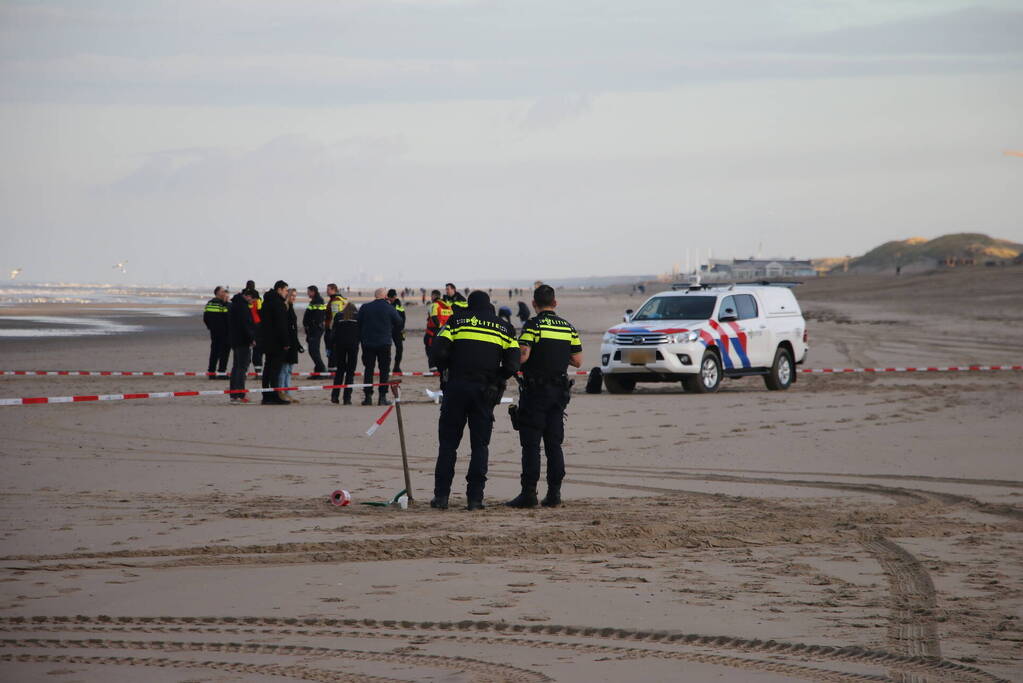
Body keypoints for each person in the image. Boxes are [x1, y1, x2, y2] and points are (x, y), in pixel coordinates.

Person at [429, 290, 520, 511]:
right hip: (485, 391)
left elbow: (437, 352)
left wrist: (446, 369)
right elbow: (513, 364)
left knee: (448, 445)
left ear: (469, 305)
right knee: (480, 446)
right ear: (489, 305)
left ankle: (441, 498)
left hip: (456, 388)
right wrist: (497, 378)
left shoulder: (456, 321)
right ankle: (475, 499)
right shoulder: (504, 327)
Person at [506, 285, 583, 508]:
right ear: (555, 303)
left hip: (535, 393)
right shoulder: (568, 327)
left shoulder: (533, 325)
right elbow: (578, 361)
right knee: (554, 445)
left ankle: (528, 494)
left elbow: (523, 356)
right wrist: (558, 355)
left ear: (534, 304)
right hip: (559, 394)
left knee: (531, 446)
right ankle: (554, 494)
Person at [357, 288, 403, 406]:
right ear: (385, 296)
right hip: (384, 343)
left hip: (368, 343)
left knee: (368, 370)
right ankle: (382, 397)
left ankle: (368, 397)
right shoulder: (389, 308)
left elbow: (358, 322)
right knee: (384, 370)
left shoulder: (365, 307)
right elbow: (399, 322)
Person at [258, 280, 292, 405]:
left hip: (267, 341)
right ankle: (274, 395)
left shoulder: (266, 302)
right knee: (274, 370)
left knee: (267, 368)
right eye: (285, 290)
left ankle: (266, 395)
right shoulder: (278, 304)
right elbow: (281, 325)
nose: (287, 292)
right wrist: (286, 342)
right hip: (276, 342)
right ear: (279, 289)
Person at [227, 288, 257, 403]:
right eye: (253, 300)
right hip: (242, 341)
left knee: (236, 367)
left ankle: (234, 394)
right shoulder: (242, 306)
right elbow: (246, 325)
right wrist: (251, 339)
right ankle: (240, 394)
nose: (253, 302)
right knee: (241, 367)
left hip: (235, 340)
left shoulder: (235, 304)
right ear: (248, 296)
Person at [330, 303, 360, 405]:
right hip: (353, 345)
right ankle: (347, 398)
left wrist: (332, 344)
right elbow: (361, 331)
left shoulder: (338, 316)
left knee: (340, 371)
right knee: (350, 373)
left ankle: (335, 396)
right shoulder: (358, 317)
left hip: (340, 345)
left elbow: (333, 332)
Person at [280, 288, 305, 402]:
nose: (294, 298)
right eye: (292, 295)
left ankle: (288, 393)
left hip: (293, 343)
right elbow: (284, 328)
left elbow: (293, 329)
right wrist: (286, 343)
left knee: (289, 369)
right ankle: (281, 392)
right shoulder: (284, 308)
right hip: (286, 344)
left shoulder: (291, 308)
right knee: (284, 369)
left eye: (295, 296)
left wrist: (298, 344)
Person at [203, 286, 231, 379]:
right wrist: (227, 302)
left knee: (214, 352)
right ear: (218, 293)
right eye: (223, 291)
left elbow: (205, 317)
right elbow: (228, 317)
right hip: (224, 332)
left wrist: (210, 327)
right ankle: (221, 372)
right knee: (224, 353)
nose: (225, 293)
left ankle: (211, 372)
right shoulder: (222, 304)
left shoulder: (209, 303)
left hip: (214, 332)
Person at [424, 289, 452, 369]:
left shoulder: (434, 305)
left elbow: (434, 317)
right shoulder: (447, 305)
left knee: (430, 348)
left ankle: (433, 367)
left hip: (434, 331)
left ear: (433, 296)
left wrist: (439, 326)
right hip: (446, 331)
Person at [303, 285, 327, 375]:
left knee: (313, 350)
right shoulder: (314, 301)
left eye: (308, 291)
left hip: (315, 330)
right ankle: (318, 371)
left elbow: (317, 316)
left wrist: (311, 327)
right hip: (313, 330)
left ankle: (322, 370)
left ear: (313, 291)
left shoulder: (318, 301)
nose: (307, 293)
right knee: (314, 350)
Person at [323, 283, 348, 370]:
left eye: (328, 289)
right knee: (335, 350)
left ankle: (333, 368)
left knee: (332, 350)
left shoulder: (336, 300)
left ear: (333, 290)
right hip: (340, 329)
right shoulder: (341, 299)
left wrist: (332, 329)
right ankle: (334, 367)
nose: (326, 291)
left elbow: (335, 316)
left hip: (333, 329)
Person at [386, 289, 406, 373]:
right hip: (387, 330)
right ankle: (387, 367)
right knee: (387, 349)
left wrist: (401, 329)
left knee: (399, 349)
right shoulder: (386, 304)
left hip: (398, 331)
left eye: (393, 297)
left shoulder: (399, 306)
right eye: (391, 297)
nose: (392, 298)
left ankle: (396, 366)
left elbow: (403, 318)